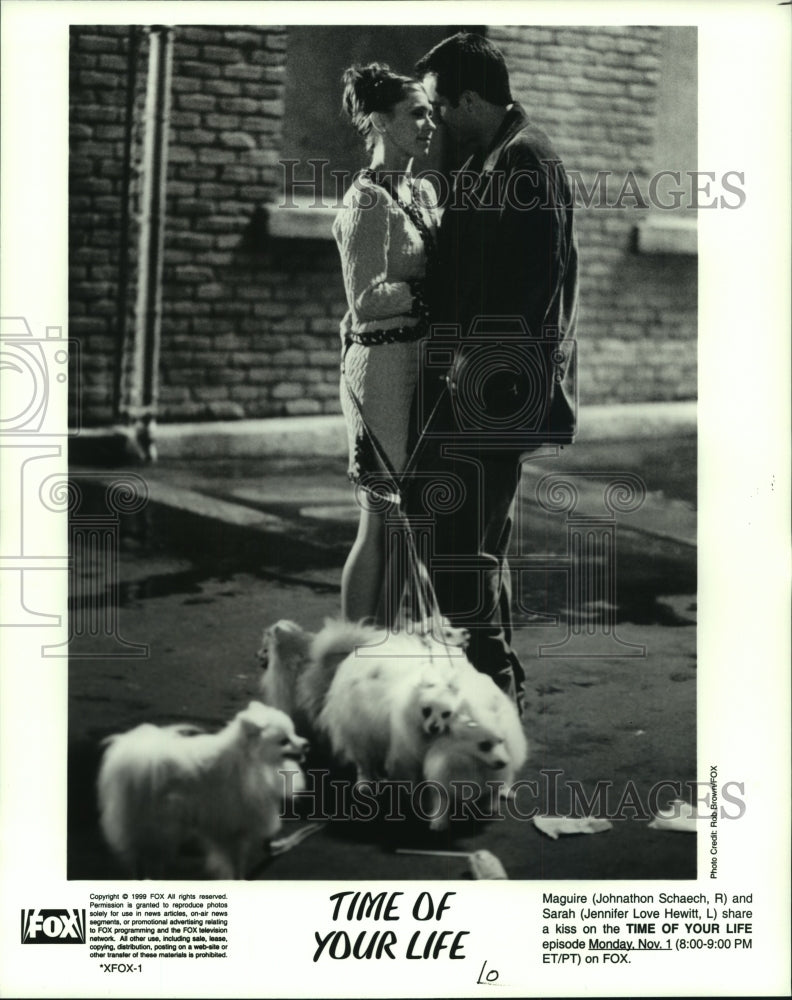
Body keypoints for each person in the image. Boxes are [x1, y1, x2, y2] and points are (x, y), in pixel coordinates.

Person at [406, 33, 579, 710]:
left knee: (466, 539)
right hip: (479, 381)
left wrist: (475, 364)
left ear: (473, 100)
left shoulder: (526, 157)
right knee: (468, 536)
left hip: (496, 387)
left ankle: (490, 686)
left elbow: (537, 281)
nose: (437, 118)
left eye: (441, 105)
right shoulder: (493, 153)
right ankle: (492, 680)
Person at [332, 64, 439, 624]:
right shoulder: (366, 201)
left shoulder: (421, 190)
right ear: (379, 121)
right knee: (381, 512)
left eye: (430, 113)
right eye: (416, 114)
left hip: (416, 364)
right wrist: (435, 292)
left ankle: (388, 643)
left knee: (408, 517)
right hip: (379, 370)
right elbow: (367, 297)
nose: (430, 124)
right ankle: (351, 649)